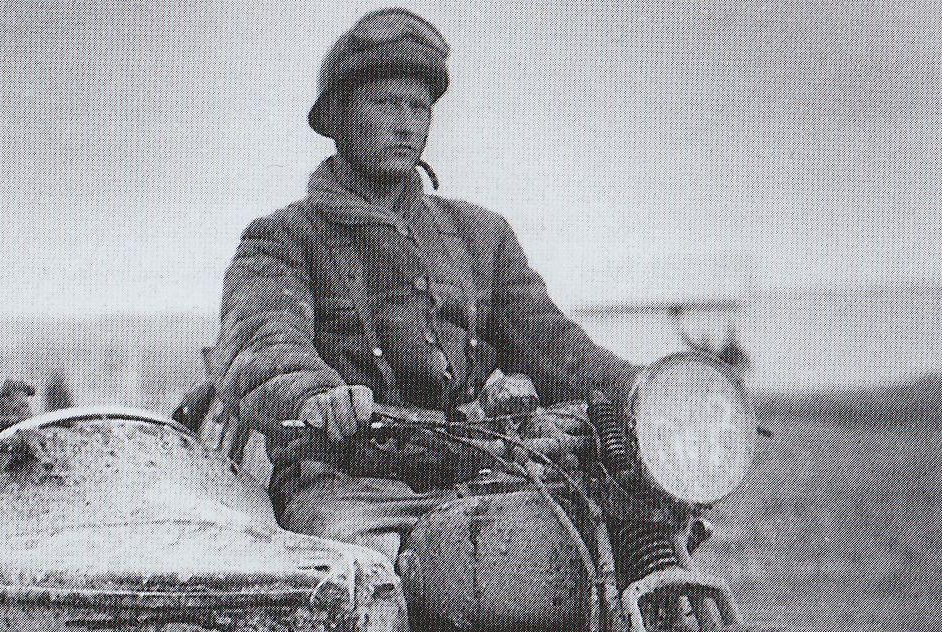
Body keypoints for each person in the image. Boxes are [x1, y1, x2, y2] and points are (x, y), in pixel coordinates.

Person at [207, 8, 640, 560]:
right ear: (337, 116)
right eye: (387, 104)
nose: (407, 124)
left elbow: (551, 341)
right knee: (365, 572)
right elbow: (263, 340)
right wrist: (316, 396)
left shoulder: (480, 234)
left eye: (419, 108)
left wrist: (639, 388)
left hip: (485, 466)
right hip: (348, 481)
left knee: (610, 530)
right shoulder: (283, 238)